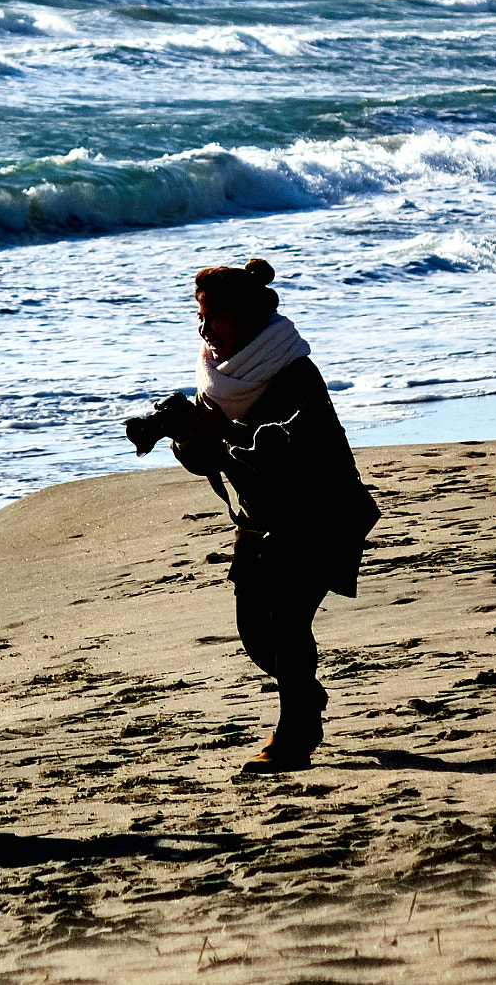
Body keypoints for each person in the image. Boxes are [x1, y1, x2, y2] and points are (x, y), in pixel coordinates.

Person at [165, 258, 379, 773]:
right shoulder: (221, 377)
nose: (205, 326)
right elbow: (208, 459)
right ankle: (305, 697)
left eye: (215, 316)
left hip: (320, 513)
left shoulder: (293, 371)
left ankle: (295, 736)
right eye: (201, 315)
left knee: (286, 621)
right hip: (261, 519)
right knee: (255, 634)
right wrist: (184, 436)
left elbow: (278, 448)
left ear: (248, 317)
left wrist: (217, 433)